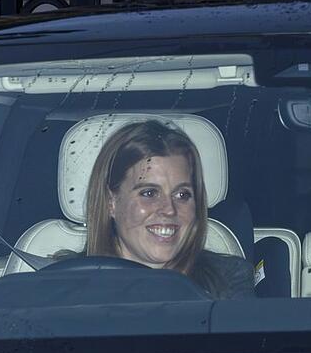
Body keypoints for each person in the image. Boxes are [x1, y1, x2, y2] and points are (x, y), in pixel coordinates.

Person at [70, 119, 255, 299]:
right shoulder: (65, 284)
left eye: (182, 195)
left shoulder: (227, 283)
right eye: (149, 193)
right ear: (111, 202)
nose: (169, 210)